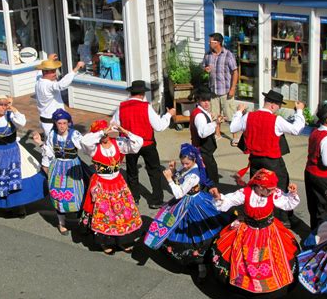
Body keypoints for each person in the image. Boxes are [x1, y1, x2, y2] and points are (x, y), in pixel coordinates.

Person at [211, 169, 300, 299]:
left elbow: (287, 203)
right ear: (259, 187)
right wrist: (218, 197)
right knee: (244, 263)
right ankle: (249, 293)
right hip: (248, 231)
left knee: (274, 264)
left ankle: (272, 295)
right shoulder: (245, 193)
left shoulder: (274, 194)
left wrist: (292, 194)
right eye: (269, 189)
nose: (273, 191)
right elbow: (228, 200)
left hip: (269, 232)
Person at [144, 143, 226, 280]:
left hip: (194, 204)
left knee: (197, 233)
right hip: (186, 203)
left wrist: (169, 179)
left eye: (187, 163)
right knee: (187, 231)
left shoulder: (194, 176)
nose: (185, 165)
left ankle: (202, 264)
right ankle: (197, 262)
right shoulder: (189, 168)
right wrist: (175, 171)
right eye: (183, 163)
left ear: (194, 160)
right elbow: (181, 179)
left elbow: (180, 193)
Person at [230, 90, 305, 227]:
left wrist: (239, 112)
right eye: (279, 106)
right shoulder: (276, 120)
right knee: (278, 187)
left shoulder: (249, 117)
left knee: (257, 188)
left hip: (255, 160)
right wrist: (299, 111)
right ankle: (280, 219)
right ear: (273, 105)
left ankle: (257, 214)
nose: (279, 109)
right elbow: (296, 129)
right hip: (272, 161)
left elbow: (233, 127)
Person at [80, 119, 143, 255]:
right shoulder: (94, 148)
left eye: (107, 133)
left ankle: (123, 240)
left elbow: (138, 143)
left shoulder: (118, 143)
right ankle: (105, 242)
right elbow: (84, 141)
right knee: (105, 214)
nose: (105, 136)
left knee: (121, 212)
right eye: (102, 134)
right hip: (101, 183)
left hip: (117, 182)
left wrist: (124, 131)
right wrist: (101, 132)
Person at [112, 80, 176, 208]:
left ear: (131, 93)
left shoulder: (122, 107)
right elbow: (159, 126)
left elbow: (113, 126)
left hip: (129, 144)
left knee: (131, 172)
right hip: (147, 144)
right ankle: (156, 200)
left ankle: (134, 197)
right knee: (154, 171)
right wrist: (168, 115)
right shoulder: (146, 107)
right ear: (142, 94)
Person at [32, 109, 84, 235]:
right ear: (55, 123)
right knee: (58, 195)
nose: (62, 126)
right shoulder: (52, 134)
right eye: (59, 123)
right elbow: (49, 153)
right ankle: (62, 223)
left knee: (77, 192)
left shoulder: (75, 135)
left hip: (73, 166)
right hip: (58, 166)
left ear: (68, 123)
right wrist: (40, 143)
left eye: (64, 123)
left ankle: (80, 220)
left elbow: (85, 146)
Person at [35, 53, 85, 137]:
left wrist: (49, 60)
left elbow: (39, 72)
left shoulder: (38, 80)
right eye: (52, 72)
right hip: (52, 123)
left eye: (54, 70)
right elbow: (61, 85)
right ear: (45, 72)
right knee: (57, 146)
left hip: (45, 121)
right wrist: (76, 69)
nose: (55, 73)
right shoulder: (49, 85)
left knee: (51, 145)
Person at [202, 33, 239, 144]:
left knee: (231, 115)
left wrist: (233, 88)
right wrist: (205, 69)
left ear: (217, 43)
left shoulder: (228, 55)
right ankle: (217, 134)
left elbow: (235, 72)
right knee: (215, 114)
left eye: (211, 41)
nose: (209, 43)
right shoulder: (208, 55)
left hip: (226, 91)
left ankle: (235, 136)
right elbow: (203, 66)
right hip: (213, 91)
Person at [189, 89, 224, 184]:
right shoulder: (199, 115)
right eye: (204, 100)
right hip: (203, 151)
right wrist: (215, 123)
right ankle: (211, 196)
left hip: (205, 151)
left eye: (208, 100)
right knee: (210, 177)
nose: (207, 103)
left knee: (208, 175)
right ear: (198, 101)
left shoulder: (201, 112)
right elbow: (202, 133)